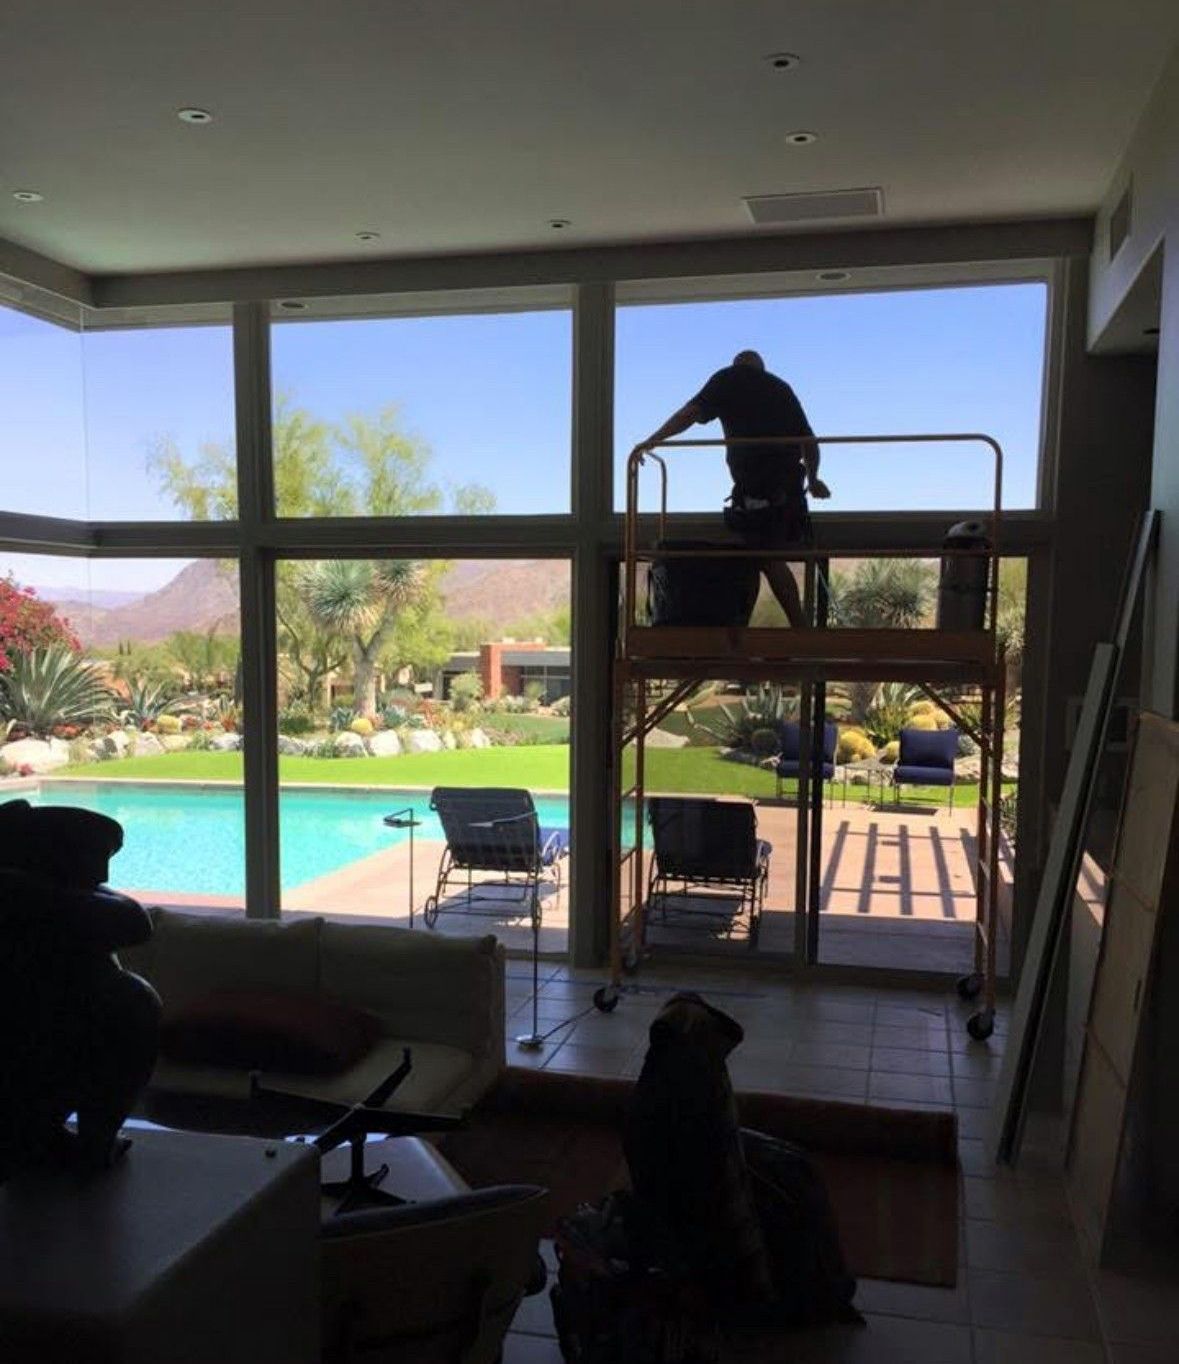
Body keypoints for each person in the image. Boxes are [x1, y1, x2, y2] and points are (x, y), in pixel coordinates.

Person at [632, 350, 829, 626]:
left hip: (762, 490)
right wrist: (813, 479)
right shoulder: (781, 388)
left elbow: (690, 414)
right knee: (753, 556)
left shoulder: (729, 379)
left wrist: (652, 441)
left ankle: (798, 628)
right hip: (787, 492)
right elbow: (810, 442)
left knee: (763, 556)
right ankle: (762, 625)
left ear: (738, 365)